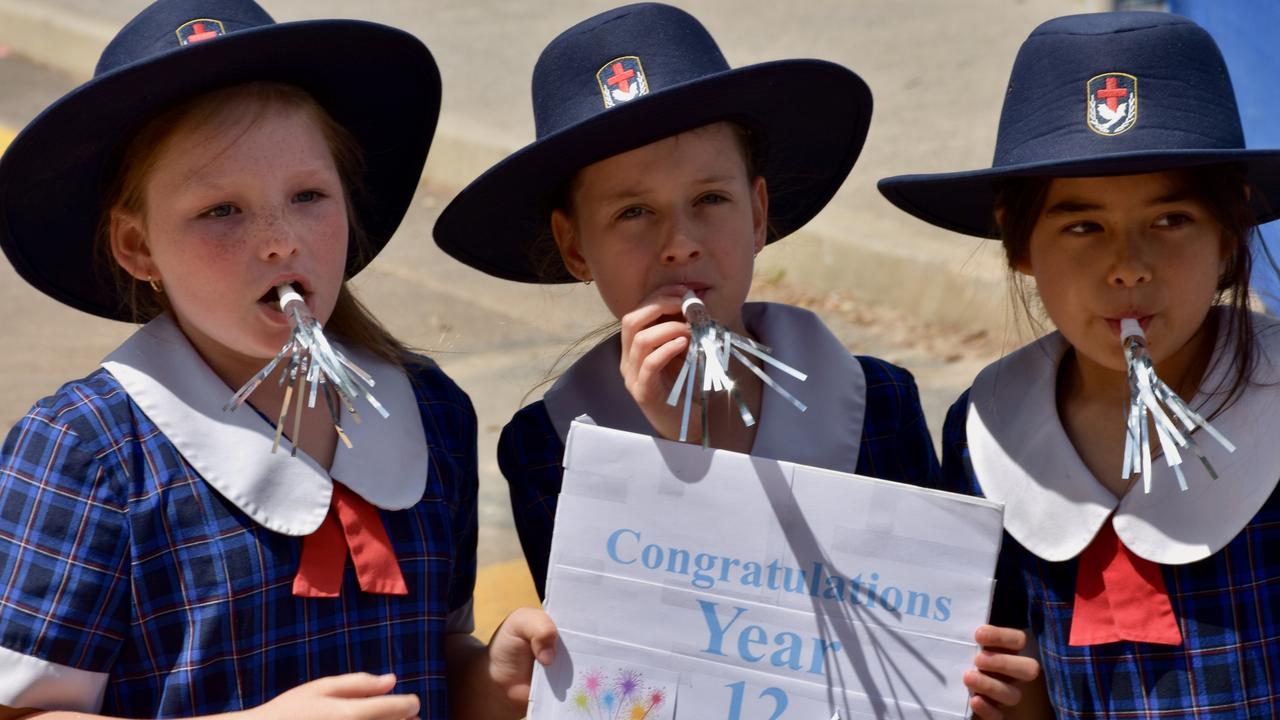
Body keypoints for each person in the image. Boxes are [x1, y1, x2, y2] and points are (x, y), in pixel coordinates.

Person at [0, 0, 554, 716]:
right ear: (138, 247)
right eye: (220, 211)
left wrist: (492, 680)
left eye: (308, 195)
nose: (279, 240)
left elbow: (431, 653)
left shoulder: (430, 410)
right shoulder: (86, 451)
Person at [433, 2, 940, 601]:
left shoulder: (878, 404)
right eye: (633, 212)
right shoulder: (551, 445)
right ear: (574, 247)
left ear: (757, 215)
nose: (679, 244)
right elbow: (621, 670)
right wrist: (684, 457)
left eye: (710, 199)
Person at [879, 11, 1280, 719]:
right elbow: (1021, 676)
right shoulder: (988, 434)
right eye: (1083, 226)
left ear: (1230, 226)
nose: (1128, 266)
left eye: (1171, 220)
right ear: (1019, 242)